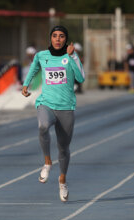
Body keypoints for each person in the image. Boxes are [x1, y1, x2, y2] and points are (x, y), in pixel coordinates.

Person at [22, 26, 85, 202]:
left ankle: (62, 180)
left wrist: (73, 56)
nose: (58, 39)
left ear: (66, 39)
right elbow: (34, 69)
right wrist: (26, 85)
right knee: (42, 126)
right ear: (50, 38)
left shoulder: (70, 56)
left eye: (61, 36)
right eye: (55, 36)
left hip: (66, 107)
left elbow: (81, 78)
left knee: (63, 148)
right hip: (46, 103)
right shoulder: (42, 56)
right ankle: (47, 162)